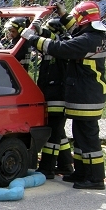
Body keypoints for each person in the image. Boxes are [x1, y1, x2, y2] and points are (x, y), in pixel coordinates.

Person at [22, 1, 106, 190]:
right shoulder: (93, 36)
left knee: (88, 140)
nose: (75, 23)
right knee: (80, 137)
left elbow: (61, 48)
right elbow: (75, 33)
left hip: (86, 97)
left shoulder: (87, 41)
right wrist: (63, 14)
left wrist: (32, 38)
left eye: (77, 19)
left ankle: (95, 179)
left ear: (83, 20)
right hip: (85, 95)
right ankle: (81, 172)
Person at [31, 19, 73, 179]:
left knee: (53, 134)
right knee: (58, 132)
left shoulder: (63, 47)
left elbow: (55, 42)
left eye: (48, 31)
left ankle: (47, 168)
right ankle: (66, 165)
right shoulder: (50, 50)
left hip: (59, 99)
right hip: (50, 97)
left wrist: (41, 33)